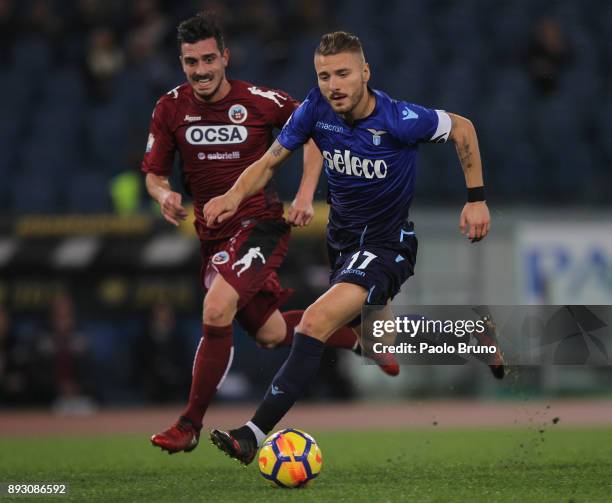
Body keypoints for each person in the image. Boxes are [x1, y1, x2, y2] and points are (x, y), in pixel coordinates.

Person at [203, 31, 503, 464]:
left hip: (388, 245)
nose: (333, 84)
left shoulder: (399, 118)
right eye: (325, 75)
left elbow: (463, 128)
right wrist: (232, 197)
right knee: (381, 342)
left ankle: (253, 433)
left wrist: (477, 200)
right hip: (342, 243)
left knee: (314, 322)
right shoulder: (315, 109)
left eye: (343, 73)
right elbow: (270, 161)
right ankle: (469, 335)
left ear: (365, 73)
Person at [142, 15, 397, 455]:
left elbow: (316, 135)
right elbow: (153, 173)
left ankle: (189, 424)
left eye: (208, 59)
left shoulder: (261, 101)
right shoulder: (169, 108)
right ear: (181, 63)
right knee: (271, 333)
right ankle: (359, 338)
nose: (200, 70)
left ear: (225, 57)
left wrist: (303, 194)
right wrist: (163, 193)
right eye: (190, 62)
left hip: (259, 225)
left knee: (217, 306)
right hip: (213, 236)